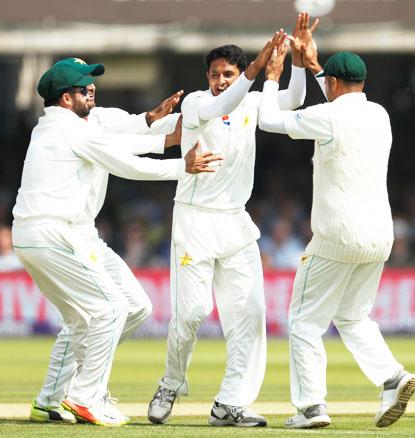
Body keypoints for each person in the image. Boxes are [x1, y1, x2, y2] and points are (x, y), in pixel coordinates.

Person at [12, 62, 217, 427]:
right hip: (52, 233)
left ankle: (49, 399)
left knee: (131, 307)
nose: (91, 88)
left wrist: (160, 129)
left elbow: (122, 132)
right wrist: (179, 165)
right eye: (83, 86)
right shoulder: (66, 128)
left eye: (91, 83)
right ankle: (85, 398)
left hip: (73, 235)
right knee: (108, 311)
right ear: (65, 97)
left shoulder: (85, 122)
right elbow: (124, 162)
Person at [257, 17, 415, 429]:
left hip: (336, 235)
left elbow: (268, 121)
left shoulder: (325, 117)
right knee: (352, 317)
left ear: (332, 84)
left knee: (304, 322)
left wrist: (273, 79)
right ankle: (391, 377)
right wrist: (313, 66)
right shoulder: (380, 114)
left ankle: (311, 407)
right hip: (380, 236)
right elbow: (336, 99)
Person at [145, 27, 306, 428]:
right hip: (195, 218)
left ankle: (230, 402)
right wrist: (256, 66)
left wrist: (293, 63)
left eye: (227, 75)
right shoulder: (199, 103)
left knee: (249, 312)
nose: (220, 82)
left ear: (238, 76)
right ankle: (171, 381)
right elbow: (227, 102)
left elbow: (294, 100)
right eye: (215, 74)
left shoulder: (251, 102)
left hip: (236, 221)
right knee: (192, 312)